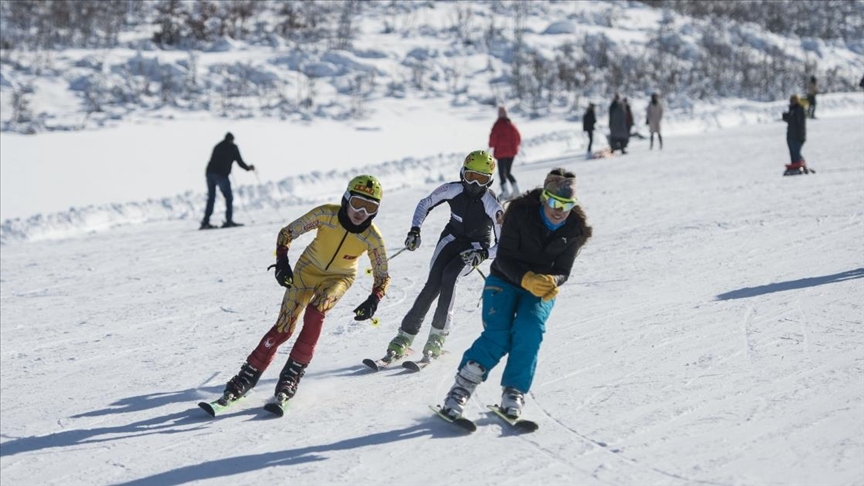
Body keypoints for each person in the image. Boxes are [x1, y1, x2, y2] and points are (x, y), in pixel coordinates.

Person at [217, 175, 390, 406]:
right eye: (358, 203)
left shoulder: (372, 237)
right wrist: (282, 261)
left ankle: (292, 375)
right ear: (347, 199)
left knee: (316, 312)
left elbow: (382, 275)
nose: (361, 212)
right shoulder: (326, 214)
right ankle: (246, 376)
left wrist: (374, 298)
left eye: (370, 207)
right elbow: (287, 232)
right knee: (284, 328)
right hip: (307, 270)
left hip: (340, 277)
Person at [438, 168, 593, 420]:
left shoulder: (574, 229)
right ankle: (460, 390)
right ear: (544, 198)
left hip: (541, 290)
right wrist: (526, 278)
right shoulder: (520, 215)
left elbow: (564, 270)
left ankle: (514, 391)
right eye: (553, 202)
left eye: (566, 205)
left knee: (529, 332)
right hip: (504, 280)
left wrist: (551, 280)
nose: (558, 210)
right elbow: (505, 258)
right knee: (498, 335)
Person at [383, 150, 504, 363]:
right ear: (462, 174)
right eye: (471, 177)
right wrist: (415, 230)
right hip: (450, 239)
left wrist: (483, 254)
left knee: (449, 277)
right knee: (432, 285)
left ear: (490, 181)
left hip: (475, 247)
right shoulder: (452, 189)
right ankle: (404, 337)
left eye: (482, 179)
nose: (474, 184)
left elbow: (503, 244)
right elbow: (425, 203)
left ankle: (437, 337)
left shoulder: (492, 204)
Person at [200, 132, 255, 230]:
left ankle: (205, 222)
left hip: (210, 173)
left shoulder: (218, 146)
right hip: (221, 175)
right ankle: (228, 221)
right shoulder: (233, 147)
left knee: (211, 198)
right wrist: (248, 168)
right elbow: (240, 162)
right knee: (228, 197)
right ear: (232, 139)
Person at [488, 106, 522, 200]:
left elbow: (492, 141)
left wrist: (492, 145)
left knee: (501, 173)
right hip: (511, 153)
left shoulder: (497, 125)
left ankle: (505, 192)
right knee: (508, 172)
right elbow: (518, 138)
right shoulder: (511, 125)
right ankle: (516, 190)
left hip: (501, 154)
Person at [782, 95, 807, 169]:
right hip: (791, 135)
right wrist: (785, 116)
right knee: (793, 152)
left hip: (797, 136)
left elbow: (797, 122)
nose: (791, 102)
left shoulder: (799, 110)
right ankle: (795, 163)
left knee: (796, 152)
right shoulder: (792, 110)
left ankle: (799, 163)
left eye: (793, 100)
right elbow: (790, 120)